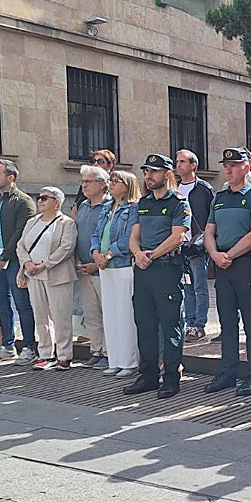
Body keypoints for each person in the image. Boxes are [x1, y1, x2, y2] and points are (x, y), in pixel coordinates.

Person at [121, 154, 191, 397]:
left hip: (166, 270)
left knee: (170, 325)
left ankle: (171, 377)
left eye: (154, 172)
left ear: (167, 175)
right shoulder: (143, 203)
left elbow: (178, 236)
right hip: (144, 271)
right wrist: (138, 253)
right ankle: (148, 375)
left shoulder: (178, 202)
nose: (148, 176)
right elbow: (134, 234)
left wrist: (151, 255)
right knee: (145, 324)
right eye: (146, 172)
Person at [205, 148, 251, 396]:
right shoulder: (219, 197)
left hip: (245, 264)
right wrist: (214, 255)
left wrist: (229, 255)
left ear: (247, 166)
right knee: (227, 322)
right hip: (222, 263)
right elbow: (209, 231)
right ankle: (227, 373)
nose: (228, 169)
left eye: (234, 164)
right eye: (226, 165)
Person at [0, 160, 37, 364]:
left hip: (12, 261)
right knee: (1, 304)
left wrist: (4, 257)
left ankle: (29, 347)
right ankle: (7, 345)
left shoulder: (23, 202)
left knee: (22, 303)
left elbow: (20, 233)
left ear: (10, 177)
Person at [17, 187, 77, 371]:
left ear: (57, 202)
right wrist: (27, 263)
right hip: (34, 275)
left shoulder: (66, 223)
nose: (40, 201)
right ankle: (45, 354)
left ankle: (64, 355)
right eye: (38, 197)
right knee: (40, 315)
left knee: (61, 315)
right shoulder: (32, 221)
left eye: (44, 198)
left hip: (56, 274)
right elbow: (21, 245)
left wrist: (44, 264)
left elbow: (66, 248)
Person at [91, 169, 141, 377]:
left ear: (127, 185)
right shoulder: (106, 207)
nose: (110, 184)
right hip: (105, 267)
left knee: (124, 315)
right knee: (110, 315)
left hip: (122, 265)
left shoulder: (133, 208)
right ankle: (114, 359)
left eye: (115, 181)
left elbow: (130, 236)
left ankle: (129, 361)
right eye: (110, 181)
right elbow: (96, 233)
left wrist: (109, 254)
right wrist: (95, 253)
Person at [74, 164, 112, 369]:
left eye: (88, 181)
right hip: (82, 268)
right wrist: (78, 261)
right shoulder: (83, 206)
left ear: (102, 184)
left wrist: (95, 264)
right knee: (90, 314)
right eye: (82, 181)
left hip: (102, 268)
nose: (84, 185)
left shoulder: (109, 207)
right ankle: (96, 350)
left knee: (106, 312)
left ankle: (108, 352)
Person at [175, 149, 214, 343]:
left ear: (193, 165)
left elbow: (212, 217)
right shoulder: (174, 188)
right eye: (177, 161)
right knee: (187, 286)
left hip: (198, 246)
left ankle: (199, 325)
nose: (178, 165)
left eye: (183, 161)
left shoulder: (203, 189)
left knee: (199, 286)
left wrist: (206, 240)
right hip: (179, 247)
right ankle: (189, 323)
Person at [73, 149, 116, 215]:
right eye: (93, 161)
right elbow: (76, 207)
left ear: (110, 165)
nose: (96, 164)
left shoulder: (114, 183)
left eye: (100, 161)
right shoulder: (85, 184)